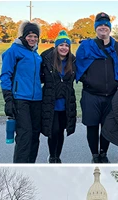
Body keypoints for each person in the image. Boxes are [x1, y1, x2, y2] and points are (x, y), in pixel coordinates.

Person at [75, 12, 118, 163]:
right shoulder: (86, 46)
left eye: (106, 25)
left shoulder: (117, 47)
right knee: (92, 127)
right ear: (96, 28)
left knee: (107, 127)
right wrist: (89, 81)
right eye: (100, 25)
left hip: (111, 95)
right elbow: (79, 67)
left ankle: (103, 153)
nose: (103, 27)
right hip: (91, 94)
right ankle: (94, 155)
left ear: (110, 28)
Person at [0, 21, 43, 163]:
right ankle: (20, 164)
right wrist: (8, 99)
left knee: (35, 135)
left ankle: (31, 165)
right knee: (25, 135)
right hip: (20, 99)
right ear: (24, 36)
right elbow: (5, 75)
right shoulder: (14, 51)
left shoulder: (36, 54)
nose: (33, 39)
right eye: (30, 36)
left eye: (35, 36)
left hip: (37, 100)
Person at [41, 31, 77, 163]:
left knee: (61, 130)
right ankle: (51, 155)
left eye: (66, 45)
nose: (64, 48)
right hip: (51, 102)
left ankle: (57, 156)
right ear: (56, 46)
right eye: (61, 45)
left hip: (66, 102)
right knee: (53, 130)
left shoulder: (72, 61)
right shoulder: (47, 60)